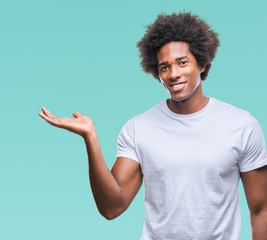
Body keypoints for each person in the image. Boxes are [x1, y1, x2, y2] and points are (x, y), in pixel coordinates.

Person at [38, 12, 267, 239]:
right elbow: (111, 207)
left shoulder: (241, 125)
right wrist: (91, 138)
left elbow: (261, 210)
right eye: (164, 67)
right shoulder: (138, 129)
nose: (174, 74)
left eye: (182, 62)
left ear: (203, 64)